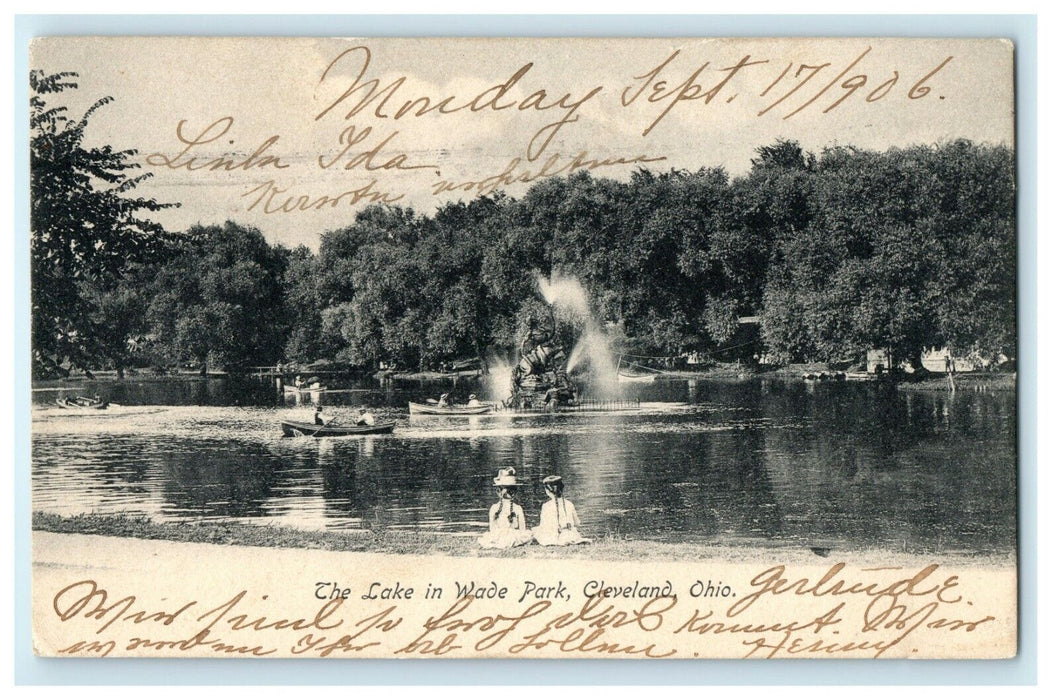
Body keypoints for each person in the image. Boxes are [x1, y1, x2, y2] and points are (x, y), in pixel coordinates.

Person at [478, 468, 533, 549]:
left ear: (498, 492)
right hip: (512, 537)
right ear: (515, 492)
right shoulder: (518, 508)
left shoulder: (494, 508)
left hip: (497, 536)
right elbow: (522, 530)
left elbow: (492, 529)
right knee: (529, 535)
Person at [534, 475, 591, 546]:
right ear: (562, 488)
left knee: (535, 530)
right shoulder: (569, 503)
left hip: (554, 536)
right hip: (571, 535)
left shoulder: (546, 506)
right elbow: (577, 523)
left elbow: (543, 526)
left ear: (547, 491)